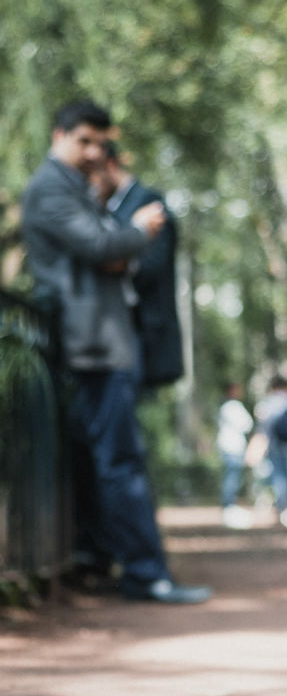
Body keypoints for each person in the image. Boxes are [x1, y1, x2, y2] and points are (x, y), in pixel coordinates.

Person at [20, 99, 211, 603]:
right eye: (83, 140)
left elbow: (107, 252)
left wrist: (115, 246)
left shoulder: (72, 187)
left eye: (99, 144)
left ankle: (124, 565)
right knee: (120, 461)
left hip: (103, 343)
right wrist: (139, 232)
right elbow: (102, 248)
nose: (92, 153)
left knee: (114, 459)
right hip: (96, 344)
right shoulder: (49, 188)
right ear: (58, 134)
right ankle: (147, 574)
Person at [90, 142, 184, 390]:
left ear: (110, 165)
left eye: (93, 173)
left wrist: (113, 260)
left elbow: (151, 265)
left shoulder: (148, 202)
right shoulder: (109, 207)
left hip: (144, 332)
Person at [254, 371, 287, 528]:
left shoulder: (270, 402)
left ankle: (285, 509)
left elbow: (264, 426)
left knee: (279, 477)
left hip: (274, 445)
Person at [217, 382, 255, 529]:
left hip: (231, 447)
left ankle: (229, 505)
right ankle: (228, 506)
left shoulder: (225, 407)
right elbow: (247, 424)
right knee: (231, 478)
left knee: (232, 477)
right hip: (232, 448)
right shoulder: (232, 407)